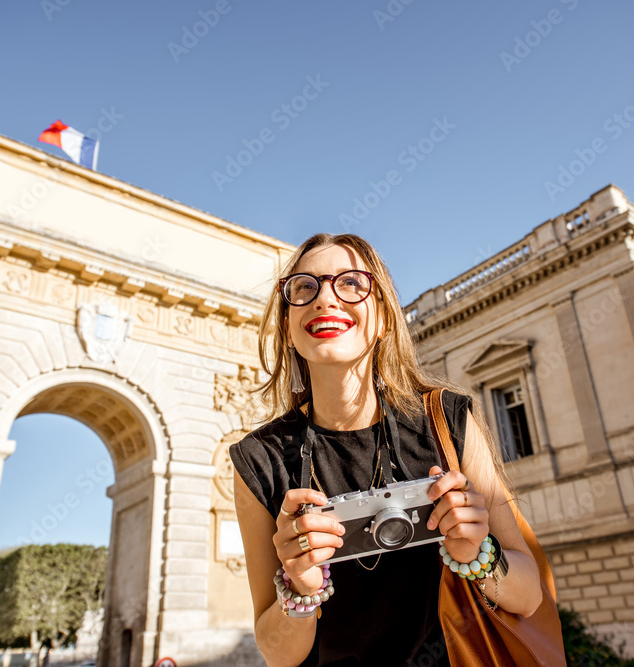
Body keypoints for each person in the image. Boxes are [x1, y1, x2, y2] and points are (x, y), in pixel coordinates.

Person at [230, 233, 543, 666]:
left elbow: (528, 596)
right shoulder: (259, 460)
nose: (325, 300)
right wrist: (299, 588)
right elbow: (279, 654)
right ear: (287, 326)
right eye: (304, 287)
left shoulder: (447, 422)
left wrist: (478, 554)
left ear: (383, 319)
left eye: (352, 283)